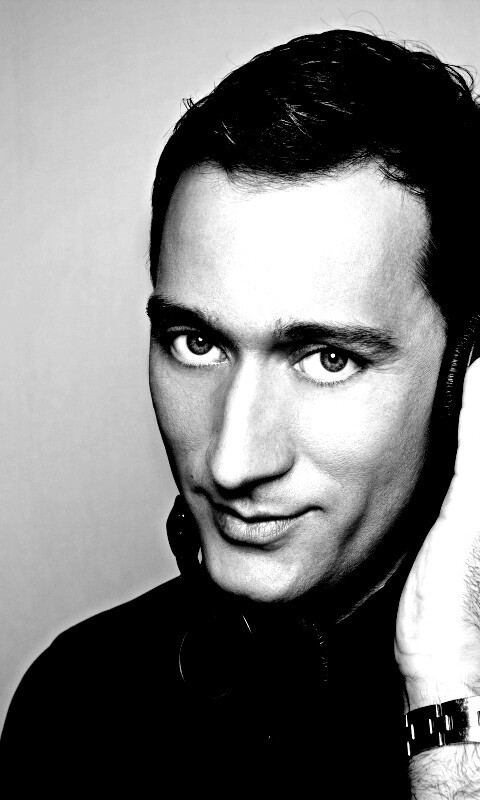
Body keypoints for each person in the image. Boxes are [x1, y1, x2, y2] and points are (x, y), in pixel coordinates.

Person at [2, 28, 480, 797]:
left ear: (465, 375)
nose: (231, 463)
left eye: (328, 359)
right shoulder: (74, 700)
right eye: (196, 343)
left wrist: (447, 692)